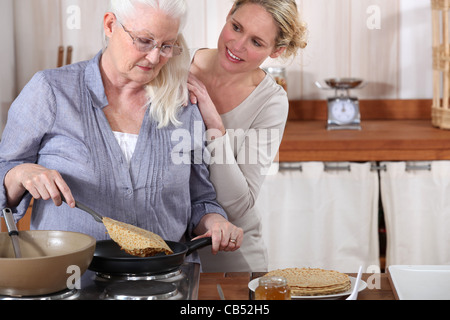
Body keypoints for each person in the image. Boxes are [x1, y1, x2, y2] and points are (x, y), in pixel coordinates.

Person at [0, 0, 243, 260]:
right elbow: (6, 168)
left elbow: (199, 199)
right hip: (71, 281)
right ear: (110, 24)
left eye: (166, 46)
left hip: (167, 283)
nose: (153, 57)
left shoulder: (182, 103)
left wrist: (215, 222)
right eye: (144, 41)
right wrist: (20, 173)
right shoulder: (51, 90)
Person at [188, 0, 307, 272]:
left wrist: (215, 127)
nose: (238, 45)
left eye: (256, 42)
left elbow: (238, 204)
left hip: (228, 252)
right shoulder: (173, 63)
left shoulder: (270, 102)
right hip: (164, 249)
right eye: (236, 27)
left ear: (276, 51)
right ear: (229, 14)